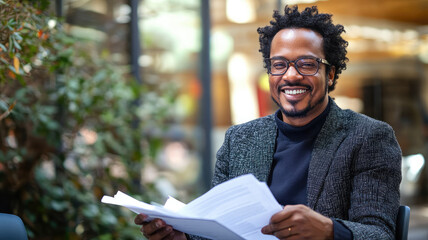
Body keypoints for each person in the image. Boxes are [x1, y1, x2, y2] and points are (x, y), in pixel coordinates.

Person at [134, 5, 402, 240]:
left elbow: (379, 233)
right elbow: (218, 230)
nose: (291, 75)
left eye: (307, 64)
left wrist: (329, 230)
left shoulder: (368, 137)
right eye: (279, 64)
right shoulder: (239, 140)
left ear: (330, 74)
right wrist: (181, 236)